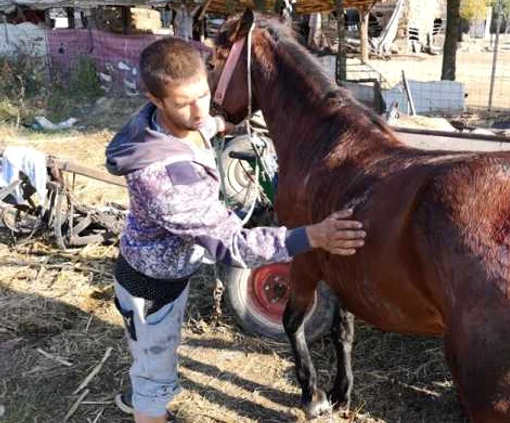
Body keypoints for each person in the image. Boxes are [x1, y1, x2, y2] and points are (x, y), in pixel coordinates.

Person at [105, 37, 366, 423]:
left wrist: (224, 123)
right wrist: (311, 236)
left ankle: (143, 384)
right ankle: (147, 406)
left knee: (152, 353)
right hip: (152, 289)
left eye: (203, 95)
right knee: (155, 372)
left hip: (166, 273)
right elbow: (233, 246)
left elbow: (201, 125)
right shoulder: (164, 180)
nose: (197, 111)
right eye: (183, 103)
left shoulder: (160, 123)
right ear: (154, 98)